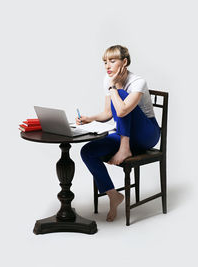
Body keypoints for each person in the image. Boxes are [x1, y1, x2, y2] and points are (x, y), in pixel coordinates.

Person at [76, 45, 160, 222]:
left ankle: (124, 148)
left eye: (112, 61)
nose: (107, 66)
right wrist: (89, 118)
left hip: (147, 134)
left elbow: (121, 111)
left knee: (120, 93)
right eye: (105, 62)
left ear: (125, 62)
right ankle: (113, 195)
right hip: (125, 133)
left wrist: (115, 87)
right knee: (87, 151)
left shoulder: (138, 82)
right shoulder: (108, 80)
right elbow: (109, 113)